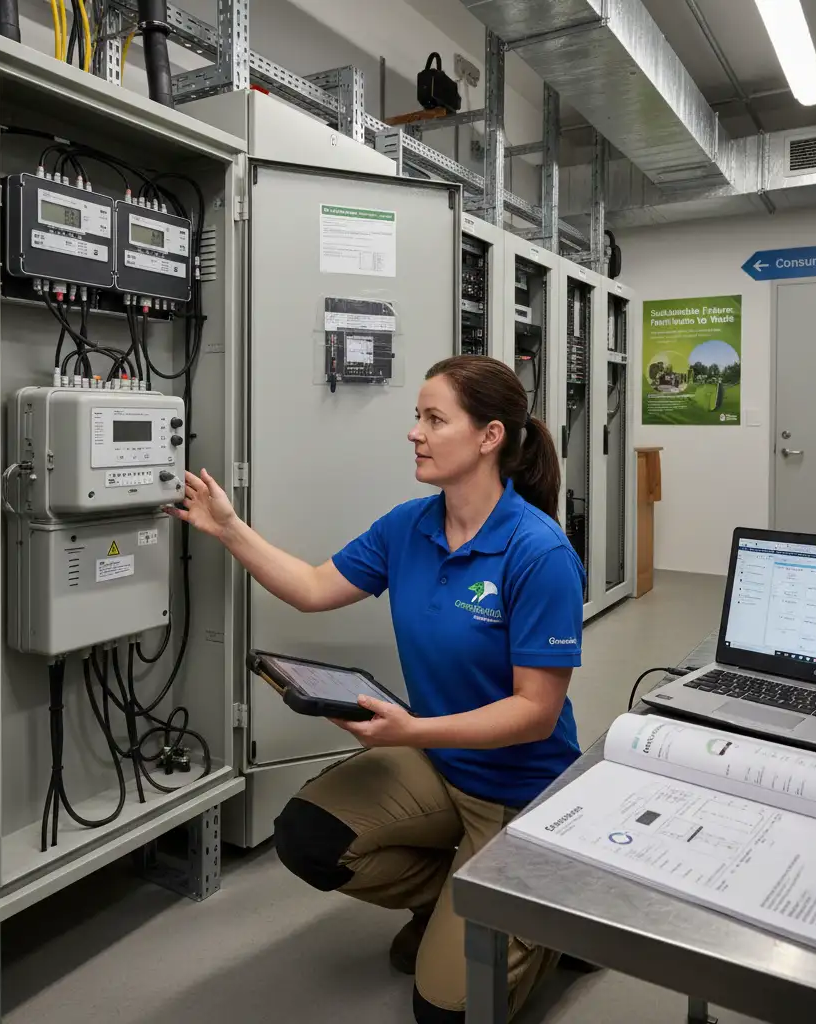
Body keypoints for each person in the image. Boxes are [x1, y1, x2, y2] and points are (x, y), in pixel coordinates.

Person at [168, 354, 586, 1023]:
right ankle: (451, 896)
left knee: (445, 1013)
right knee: (308, 837)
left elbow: (536, 715)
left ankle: (553, 915)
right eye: (416, 417)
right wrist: (227, 528)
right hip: (439, 765)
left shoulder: (540, 555)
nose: (414, 432)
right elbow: (310, 588)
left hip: (517, 791)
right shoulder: (408, 527)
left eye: (433, 419)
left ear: (490, 437)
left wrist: (410, 730)